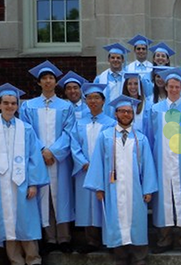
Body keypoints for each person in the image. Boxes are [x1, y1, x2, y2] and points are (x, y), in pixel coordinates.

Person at [0, 83, 49, 265]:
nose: (10, 106)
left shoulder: (26, 129)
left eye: (13, 103)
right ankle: (15, 261)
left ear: (17, 106)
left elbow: (33, 158)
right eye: (6, 103)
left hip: (23, 184)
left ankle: (33, 259)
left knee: (26, 223)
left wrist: (34, 183)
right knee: (7, 225)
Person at [84, 95, 158, 265]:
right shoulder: (105, 136)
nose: (126, 114)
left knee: (137, 223)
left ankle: (139, 257)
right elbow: (98, 163)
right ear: (116, 113)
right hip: (113, 189)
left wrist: (148, 189)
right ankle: (120, 256)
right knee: (115, 222)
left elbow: (148, 166)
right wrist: (99, 187)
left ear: (133, 114)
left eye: (129, 112)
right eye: (122, 111)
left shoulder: (141, 139)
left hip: (136, 189)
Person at [20, 61, 76, 255]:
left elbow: (69, 132)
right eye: (44, 78)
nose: (48, 81)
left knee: (61, 197)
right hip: (39, 159)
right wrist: (42, 150)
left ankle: (64, 238)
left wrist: (53, 151)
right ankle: (49, 238)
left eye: (51, 78)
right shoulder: (28, 106)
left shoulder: (66, 106)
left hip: (59, 160)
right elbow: (27, 133)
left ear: (55, 82)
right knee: (43, 198)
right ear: (39, 83)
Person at [149, 68, 181, 255]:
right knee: (163, 201)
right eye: (171, 86)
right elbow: (150, 137)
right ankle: (164, 240)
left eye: (177, 86)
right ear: (166, 87)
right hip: (161, 161)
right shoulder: (155, 110)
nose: (173, 89)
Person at [70, 83, 116, 254]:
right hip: (84, 170)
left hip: (104, 171)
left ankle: (109, 240)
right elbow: (74, 145)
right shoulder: (79, 123)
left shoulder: (111, 123)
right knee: (86, 206)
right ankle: (91, 241)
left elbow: (113, 147)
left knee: (105, 203)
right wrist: (83, 162)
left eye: (97, 98)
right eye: (90, 98)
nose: (93, 101)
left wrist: (100, 166)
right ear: (86, 101)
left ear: (103, 101)